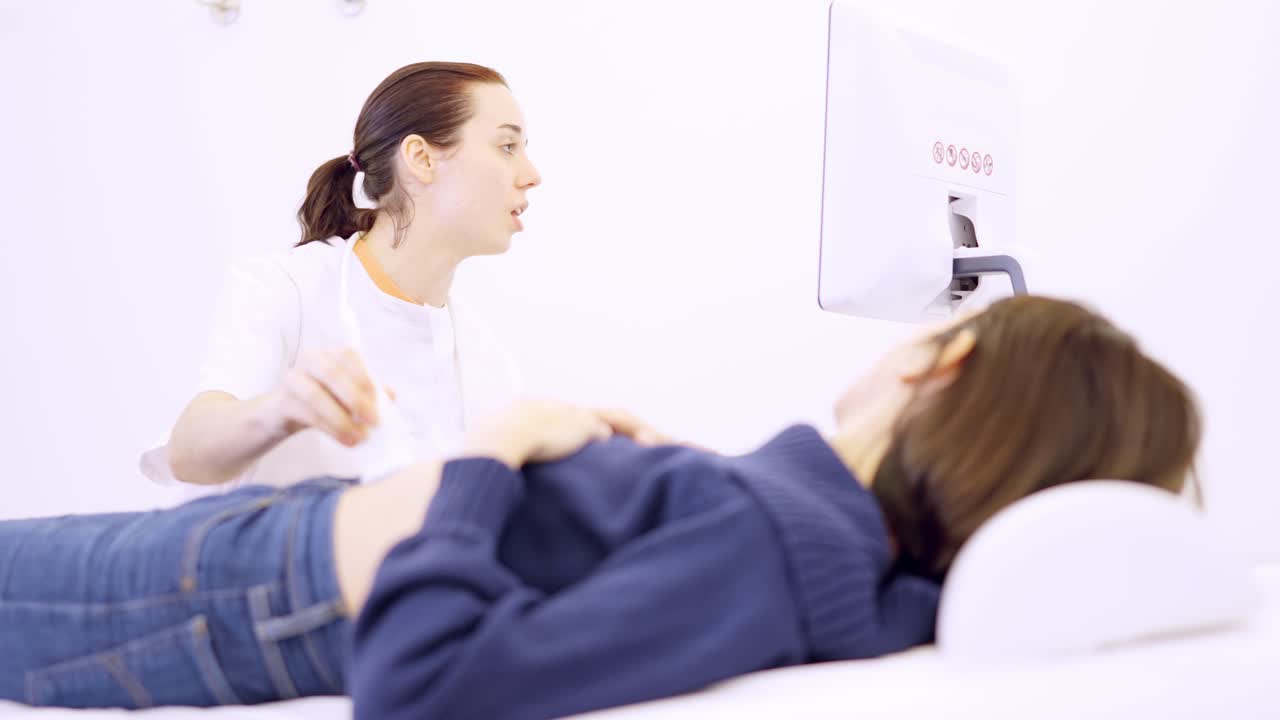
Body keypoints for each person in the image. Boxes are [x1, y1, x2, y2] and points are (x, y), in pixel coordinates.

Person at [0, 296, 1201, 719]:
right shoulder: (827, 548)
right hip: (258, 564)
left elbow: (424, 687)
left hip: (237, 590)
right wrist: (637, 478)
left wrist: (495, 451)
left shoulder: (773, 551)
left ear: (939, 367)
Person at [141, 61, 541, 490]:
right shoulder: (283, 289)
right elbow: (188, 455)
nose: (532, 176)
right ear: (421, 159)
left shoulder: (484, 356)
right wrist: (281, 411)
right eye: (506, 147)